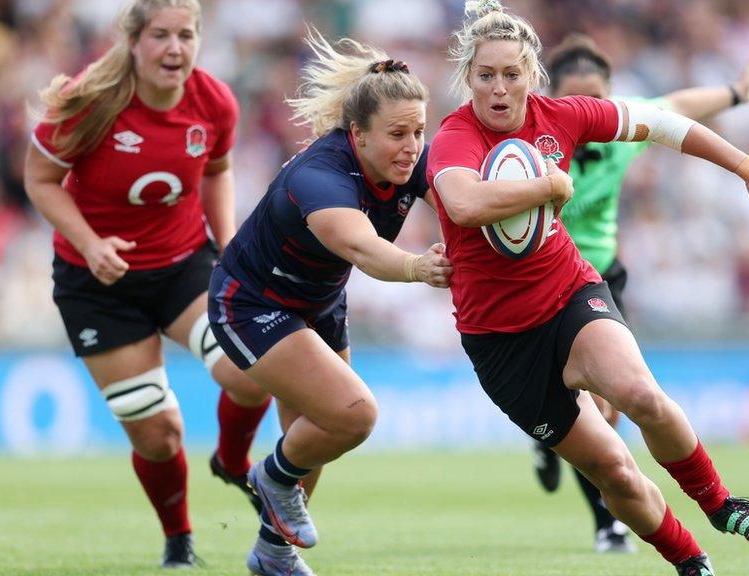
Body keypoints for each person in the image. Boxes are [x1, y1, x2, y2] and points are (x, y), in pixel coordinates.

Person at [429, 2, 749, 575]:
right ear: (468, 80)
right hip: (502, 343)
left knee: (642, 396)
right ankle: (691, 562)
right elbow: (462, 202)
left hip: (570, 294)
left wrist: (748, 168)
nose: (500, 88)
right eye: (486, 75)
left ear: (533, 76)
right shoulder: (455, 136)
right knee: (614, 471)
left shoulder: (564, 114)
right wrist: (548, 184)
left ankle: (720, 503)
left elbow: (664, 122)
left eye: (512, 73)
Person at [23, 0, 274, 568]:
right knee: (159, 435)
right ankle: (179, 542)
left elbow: (216, 169)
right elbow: (40, 179)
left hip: (184, 266)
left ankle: (233, 462)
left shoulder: (213, 101)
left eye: (186, 35)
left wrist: (227, 242)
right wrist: (90, 244)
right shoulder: (92, 102)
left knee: (254, 370)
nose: (174, 48)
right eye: (161, 35)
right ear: (134, 42)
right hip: (97, 284)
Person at [207, 30, 451, 576]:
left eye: (419, 131)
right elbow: (364, 248)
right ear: (356, 133)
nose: (412, 146)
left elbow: (460, 200)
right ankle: (270, 474)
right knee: (353, 415)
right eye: (397, 134)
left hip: (317, 305)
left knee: (314, 433)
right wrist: (419, 266)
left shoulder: (410, 163)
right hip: (250, 303)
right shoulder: (319, 178)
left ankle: (273, 554)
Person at [530, 34, 749, 555]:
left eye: (598, 97)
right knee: (577, 412)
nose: (590, 110)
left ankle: (607, 523)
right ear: (555, 98)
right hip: (541, 279)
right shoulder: (531, 144)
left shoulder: (624, 128)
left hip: (598, 281)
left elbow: (680, 108)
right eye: (578, 98)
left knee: (605, 408)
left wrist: (735, 94)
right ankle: (551, 441)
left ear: (610, 95)